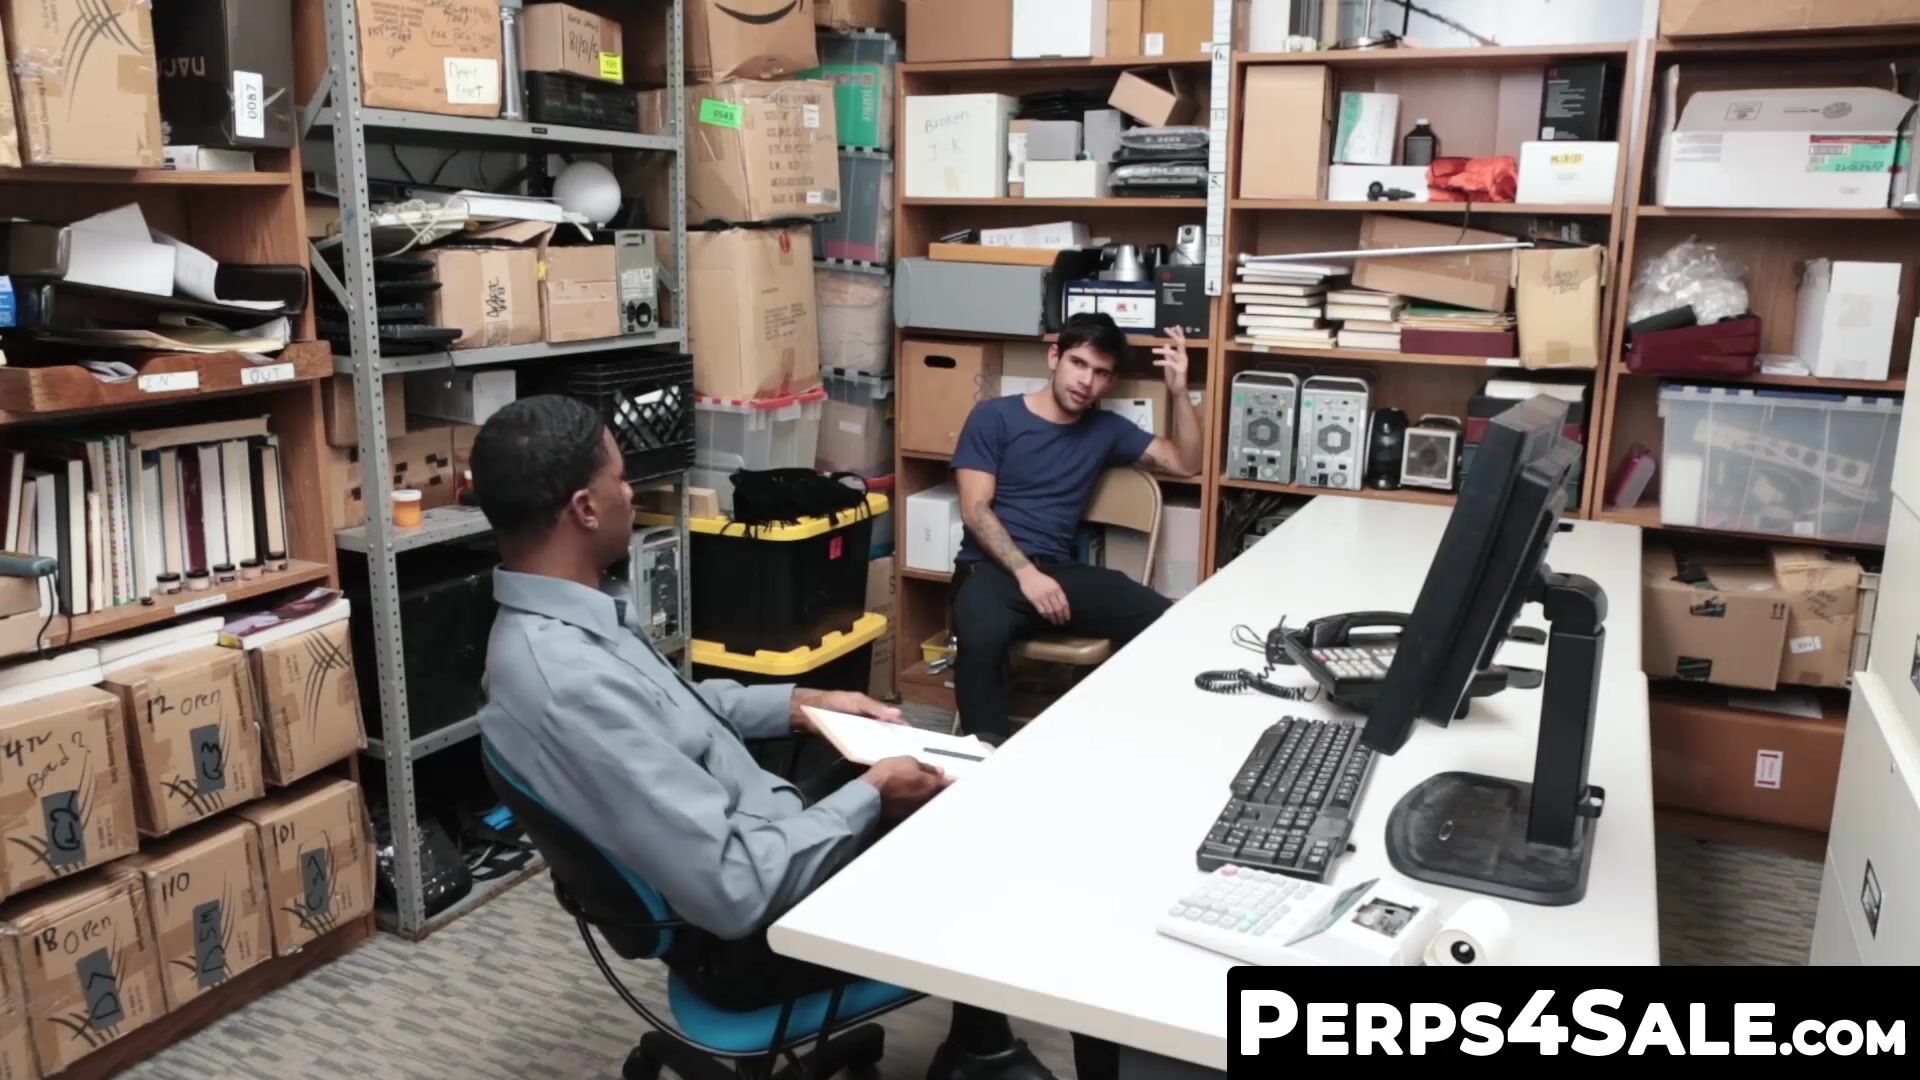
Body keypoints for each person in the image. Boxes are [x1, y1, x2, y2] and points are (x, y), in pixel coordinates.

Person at [470, 395, 1075, 1080]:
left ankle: (979, 1046)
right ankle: (983, 1056)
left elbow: (673, 710)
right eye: (621, 479)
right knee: (986, 840)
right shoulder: (566, 683)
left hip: (758, 834)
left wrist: (802, 704)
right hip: (750, 935)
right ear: (584, 508)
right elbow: (735, 887)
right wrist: (872, 796)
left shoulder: (565, 620)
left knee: (949, 772)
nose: (630, 494)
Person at [950, 313, 1202, 739]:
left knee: (1169, 623)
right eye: (1078, 363)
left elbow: (1186, 463)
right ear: (1055, 357)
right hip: (990, 569)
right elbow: (975, 509)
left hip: (1058, 574)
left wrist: (1180, 393)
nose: (1087, 381)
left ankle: (1138, 738)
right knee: (980, 637)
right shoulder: (994, 416)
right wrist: (1026, 573)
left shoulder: (1106, 430)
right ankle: (984, 755)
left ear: (1110, 382)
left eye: (1101, 372)